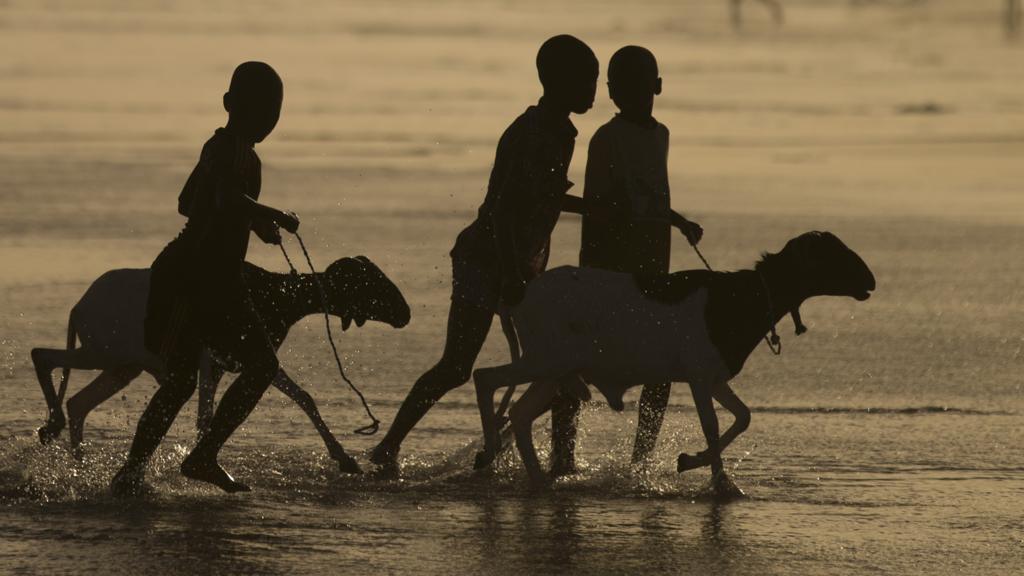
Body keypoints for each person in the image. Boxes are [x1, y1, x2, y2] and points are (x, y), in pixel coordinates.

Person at [369, 35, 600, 470]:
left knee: (560, 366)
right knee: (457, 367)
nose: (594, 90)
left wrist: (600, 208)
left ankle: (552, 459)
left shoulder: (563, 131)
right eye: (587, 80)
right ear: (556, 82)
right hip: (487, 260)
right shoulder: (533, 132)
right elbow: (507, 210)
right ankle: (389, 447)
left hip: (517, 264)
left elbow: (543, 197)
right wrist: (514, 274)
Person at [111, 61, 300, 496]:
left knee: (262, 365)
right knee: (180, 380)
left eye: (272, 115)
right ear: (229, 105)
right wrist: (272, 215)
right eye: (258, 113)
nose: (266, 123)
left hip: (222, 284)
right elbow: (216, 200)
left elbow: (191, 201)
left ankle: (203, 456)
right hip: (187, 280)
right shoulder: (221, 148)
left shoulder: (248, 159)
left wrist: (254, 225)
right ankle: (131, 473)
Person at [549, 45, 704, 476]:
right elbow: (600, 210)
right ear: (613, 93)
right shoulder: (605, 139)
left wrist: (678, 221)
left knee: (662, 369)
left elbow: (650, 197)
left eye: (642, 86)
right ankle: (563, 456)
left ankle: (641, 460)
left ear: (657, 86)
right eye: (624, 88)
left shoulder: (662, 135)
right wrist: (598, 277)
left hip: (655, 272)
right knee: (578, 362)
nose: (635, 95)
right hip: (610, 275)